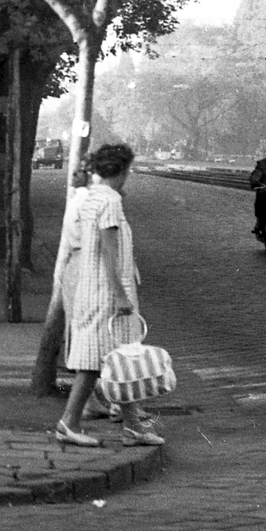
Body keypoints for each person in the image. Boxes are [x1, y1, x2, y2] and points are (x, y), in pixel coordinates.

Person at [54, 143, 163, 448]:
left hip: (91, 288)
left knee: (120, 360)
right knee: (94, 364)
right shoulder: (111, 202)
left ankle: (133, 426)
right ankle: (68, 423)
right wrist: (121, 296)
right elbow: (109, 253)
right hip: (106, 294)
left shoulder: (92, 197)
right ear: (123, 170)